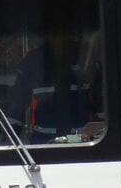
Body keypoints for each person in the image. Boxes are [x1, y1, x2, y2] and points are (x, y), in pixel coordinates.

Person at [6, 13, 92, 143]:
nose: (59, 36)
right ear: (47, 34)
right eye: (55, 31)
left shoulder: (85, 56)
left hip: (81, 142)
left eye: (64, 31)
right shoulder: (33, 60)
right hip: (44, 143)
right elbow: (17, 107)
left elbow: (102, 105)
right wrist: (8, 142)